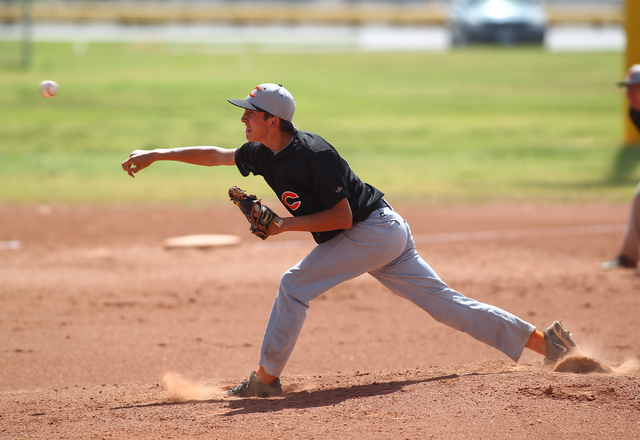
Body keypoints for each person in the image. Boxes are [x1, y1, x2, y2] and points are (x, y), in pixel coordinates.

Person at [122, 83, 581, 398]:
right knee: (447, 305)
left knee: (294, 283)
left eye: (249, 112)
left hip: (372, 231)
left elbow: (341, 217)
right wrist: (158, 154)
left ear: (272, 120)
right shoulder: (264, 152)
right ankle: (551, 345)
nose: (243, 117)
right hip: (381, 232)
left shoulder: (313, 155)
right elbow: (217, 155)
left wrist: (281, 225)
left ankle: (265, 379)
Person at [600, 64, 640, 271]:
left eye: (635, 89)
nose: (630, 94)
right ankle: (628, 257)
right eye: (628, 89)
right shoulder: (635, 112)